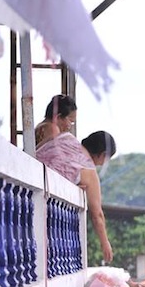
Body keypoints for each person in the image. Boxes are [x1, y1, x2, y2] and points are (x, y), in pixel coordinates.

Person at [35, 95, 114, 262]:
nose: (102, 165)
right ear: (101, 155)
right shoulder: (88, 168)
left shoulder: (62, 139)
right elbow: (97, 214)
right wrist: (105, 243)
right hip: (43, 214)